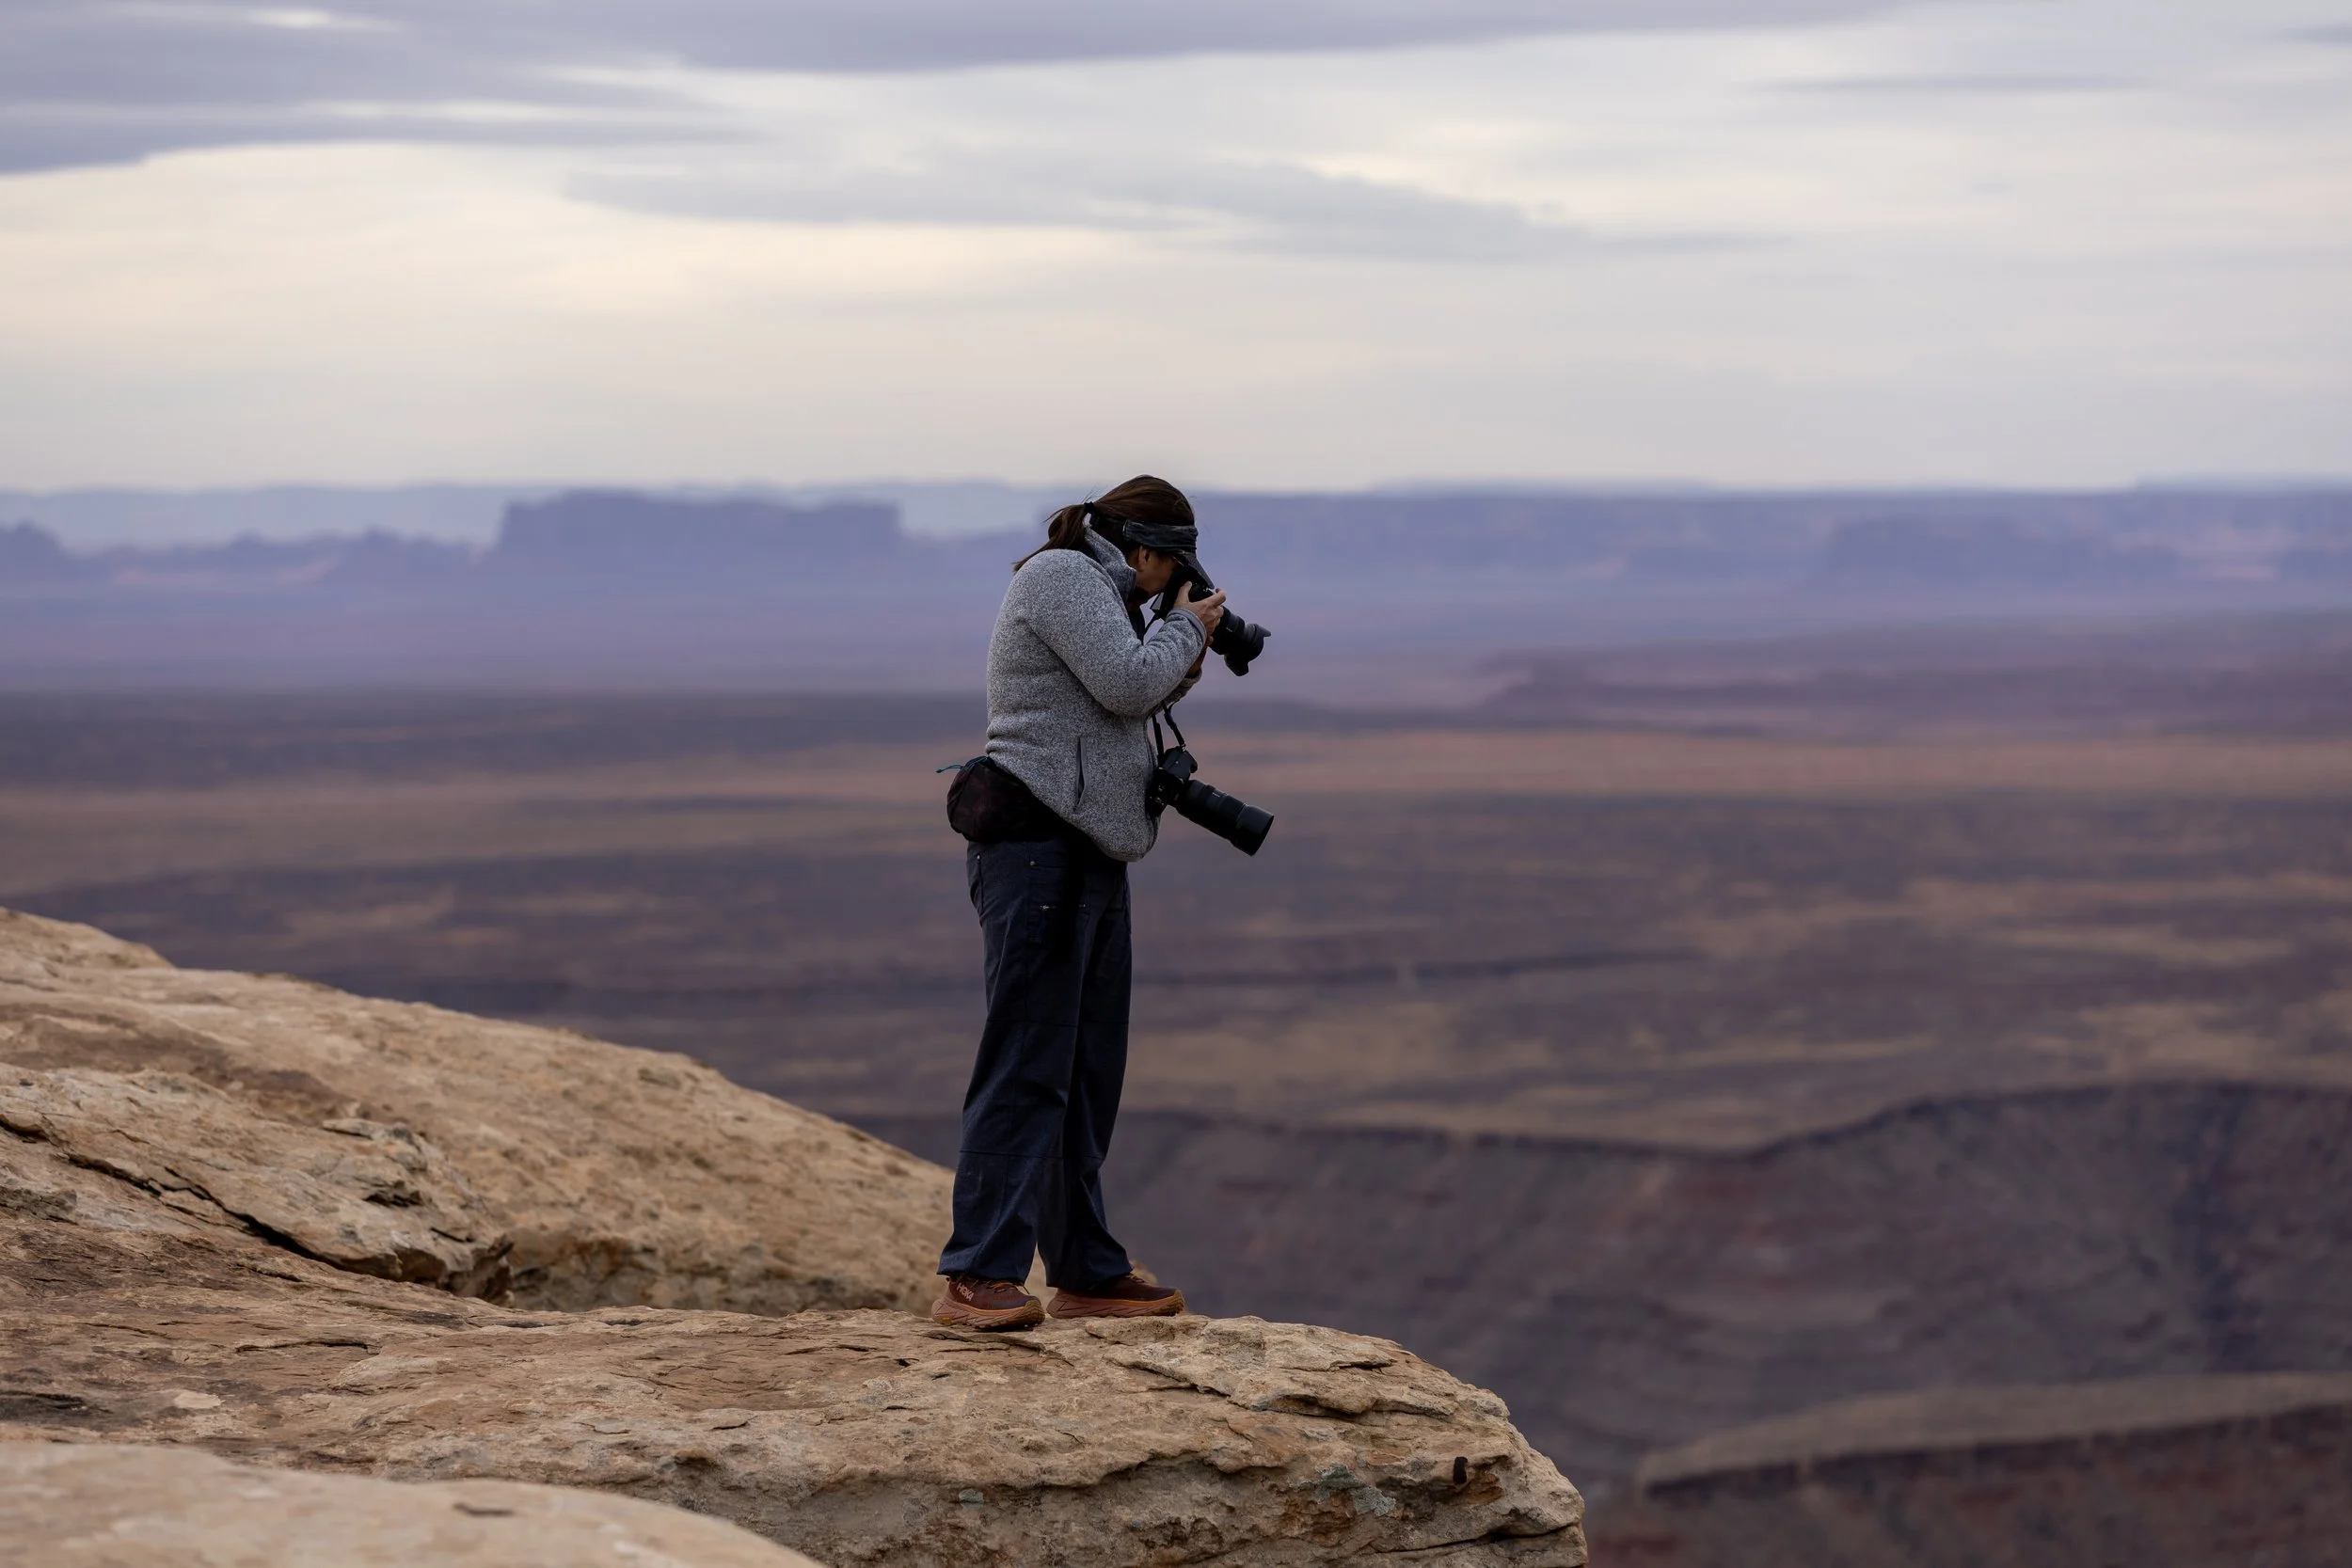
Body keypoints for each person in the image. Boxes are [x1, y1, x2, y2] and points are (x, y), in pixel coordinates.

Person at [932, 475, 1227, 1330]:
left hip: (1090, 849)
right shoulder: (1063, 576)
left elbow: (1127, 695)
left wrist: (1183, 643)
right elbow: (1128, 684)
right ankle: (976, 1272)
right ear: (1144, 548)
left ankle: (1085, 1270)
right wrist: (1184, 627)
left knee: (1085, 1072)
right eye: (1172, 565)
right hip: (1037, 850)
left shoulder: (1105, 591)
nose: (1173, 581)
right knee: (1028, 1061)